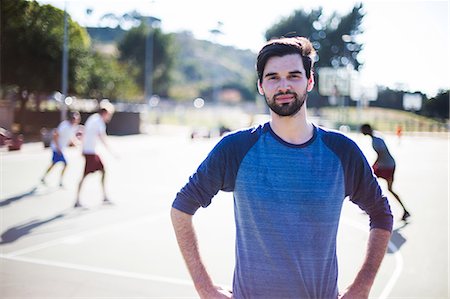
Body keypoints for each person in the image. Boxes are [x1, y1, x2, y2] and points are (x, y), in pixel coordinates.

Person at [171, 37, 393, 299]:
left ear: (310, 81)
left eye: (294, 75)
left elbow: (381, 214)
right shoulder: (236, 148)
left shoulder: (342, 152)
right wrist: (205, 288)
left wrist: (362, 287)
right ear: (261, 85)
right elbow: (181, 208)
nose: (284, 85)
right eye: (273, 77)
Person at [360, 123, 410, 221]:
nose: (361, 132)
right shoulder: (376, 136)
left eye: (362, 130)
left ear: (366, 130)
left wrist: (373, 165)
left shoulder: (376, 140)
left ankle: (404, 210)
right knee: (372, 184)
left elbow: (381, 154)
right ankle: (405, 211)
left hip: (386, 166)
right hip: (387, 165)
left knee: (372, 183)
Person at [74, 101, 115, 208]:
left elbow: (85, 134)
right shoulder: (98, 121)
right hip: (90, 152)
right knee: (84, 176)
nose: (109, 117)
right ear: (105, 113)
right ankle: (77, 200)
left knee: (103, 170)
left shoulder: (94, 118)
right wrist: (112, 151)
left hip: (89, 151)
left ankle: (104, 196)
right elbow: (102, 137)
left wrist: (82, 149)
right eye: (109, 114)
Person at [41, 111, 81, 187]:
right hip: (57, 148)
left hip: (61, 148)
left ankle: (44, 177)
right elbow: (55, 135)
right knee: (65, 163)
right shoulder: (64, 125)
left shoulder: (73, 127)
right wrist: (58, 147)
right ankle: (60, 181)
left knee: (54, 164)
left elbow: (71, 137)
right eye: (75, 118)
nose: (76, 120)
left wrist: (77, 143)